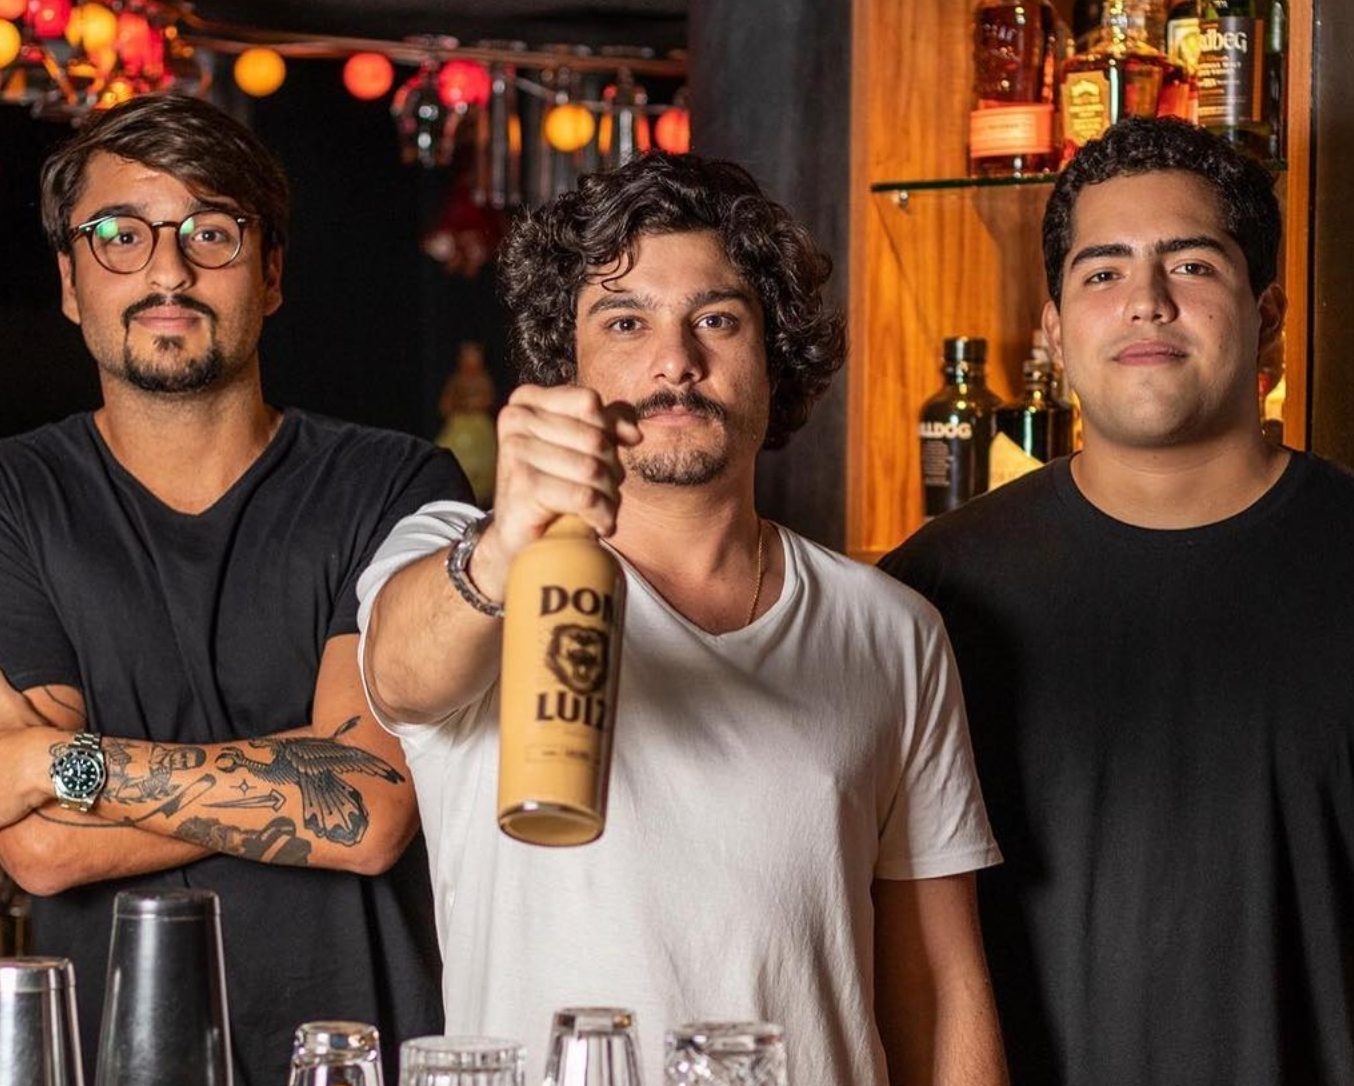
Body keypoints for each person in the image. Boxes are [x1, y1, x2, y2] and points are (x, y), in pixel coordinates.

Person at [358, 151, 1008, 1086]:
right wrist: (505, 546)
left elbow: (939, 989)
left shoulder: (891, 630)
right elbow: (400, 676)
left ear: (774, 359)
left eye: (717, 319)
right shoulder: (470, 562)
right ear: (567, 363)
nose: (676, 360)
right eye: (626, 321)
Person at [0, 94, 470, 1086]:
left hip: (356, 1059)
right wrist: (292, 773)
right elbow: (37, 849)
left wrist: (56, 760)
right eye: (120, 235)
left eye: (211, 232)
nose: (168, 270)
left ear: (271, 274)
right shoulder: (14, 498)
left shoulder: (396, 487)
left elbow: (364, 811)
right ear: (71, 283)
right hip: (110, 1060)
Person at [881, 116, 1354, 1086]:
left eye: (1191, 265)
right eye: (1102, 271)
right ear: (1053, 329)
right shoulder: (925, 599)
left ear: (1268, 313)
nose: (1145, 301)